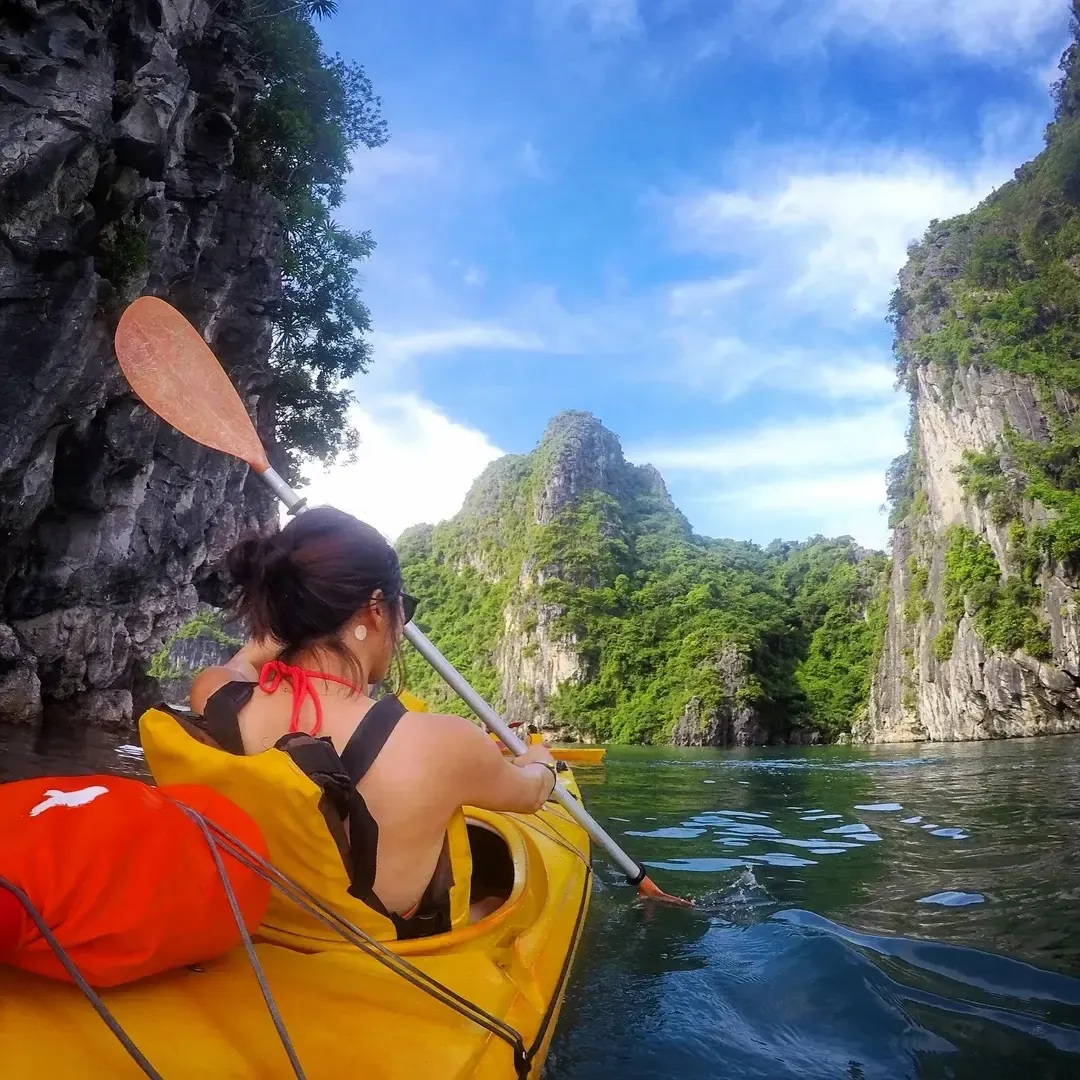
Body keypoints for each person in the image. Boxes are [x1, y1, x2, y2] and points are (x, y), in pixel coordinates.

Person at [189, 506, 557, 931]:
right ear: (376, 610)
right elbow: (530, 795)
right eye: (405, 609)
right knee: (493, 898)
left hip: (268, 924)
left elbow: (246, 661)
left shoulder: (216, 697)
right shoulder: (444, 744)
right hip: (372, 947)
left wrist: (292, 621)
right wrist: (542, 762)